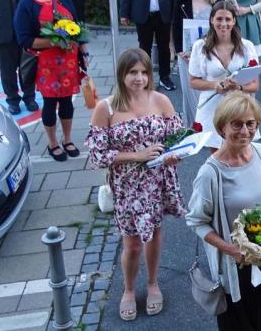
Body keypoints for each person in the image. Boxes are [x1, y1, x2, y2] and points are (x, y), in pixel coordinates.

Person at [86, 48, 187, 321]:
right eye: (133, 72)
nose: (139, 78)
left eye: (144, 72)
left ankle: (153, 283)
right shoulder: (105, 108)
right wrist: (136, 155)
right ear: (122, 74)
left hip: (157, 182)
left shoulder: (161, 100)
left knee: (154, 234)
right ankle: (129, 289)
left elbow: (178, 139)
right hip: (127, 186)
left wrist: (173, 155)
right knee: (131, 245)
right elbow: (96, 155)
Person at [186, 93, 261, 330]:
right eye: (237, 124)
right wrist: (230, 249)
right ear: (222, 127)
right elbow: (196, 221)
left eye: (250, 124)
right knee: (238, 323)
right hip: (234, 265)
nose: (245, 131)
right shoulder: (211, 173)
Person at [14, 0, 89, 162]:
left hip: (69, 62)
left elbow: (77, 26)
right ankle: (53, 143)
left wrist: (84, 51)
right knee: (49, 103)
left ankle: (67, 139)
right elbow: (24, 39)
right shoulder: (26, 5)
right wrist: (55, 40)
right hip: (45, 64)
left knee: (67, 102)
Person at [189, 1, 261, 151]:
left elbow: (255, 85)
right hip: (212, 108)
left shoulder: (246, 46)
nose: (224, 24)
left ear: (234, 21)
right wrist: (214, 85)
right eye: (219, 19)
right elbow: (193, 82)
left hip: (239, 107)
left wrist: (239, 87)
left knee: (240, 155)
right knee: (217, 156)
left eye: (228, 19)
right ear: (211, 20)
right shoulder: (200, 47)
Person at [172, 0, 218, 126]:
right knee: (190, 91)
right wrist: (179, 51)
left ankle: (210, 125)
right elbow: (176, 25)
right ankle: (193, 126)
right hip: (187, 54)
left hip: (211, 52)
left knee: (209, 90)